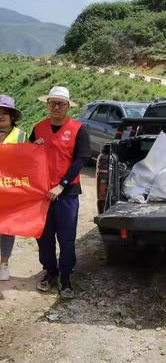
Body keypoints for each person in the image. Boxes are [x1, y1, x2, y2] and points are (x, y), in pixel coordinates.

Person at [30, 86, 90, 298]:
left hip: (67, 193)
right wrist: (34, 147)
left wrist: (62, 185)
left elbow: (80, 160)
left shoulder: (78, 129)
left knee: (66, 238)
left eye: (60, 104)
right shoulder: (38, 128)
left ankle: (65, 277)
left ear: (68, 106)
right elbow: (29, 158)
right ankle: (50, 271)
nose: (56, 107)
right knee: (43, 237)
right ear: (47, 104)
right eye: (52, 103)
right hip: (42, 193)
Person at [0, 95, 27, 281]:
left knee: (8, 228)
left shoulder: (22, 136)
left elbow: (29, 162)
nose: (1, 116)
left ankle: (4, 264)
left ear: (12, 116)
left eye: (4, 113)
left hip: (11, 190)